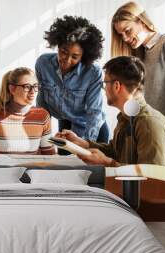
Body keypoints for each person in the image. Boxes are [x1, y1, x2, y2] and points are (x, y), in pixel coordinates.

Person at [56, 56, 165, 167]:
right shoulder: (125, 117)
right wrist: (84, 144)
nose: (104, 89)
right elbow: (115, 151)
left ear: (116, 86)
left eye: (105, 83)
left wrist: (107, 163)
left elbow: (151, 178)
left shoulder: (149, 123)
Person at [111, 1, 165, 167]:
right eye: (121, 35)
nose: (124, 38)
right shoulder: (140, 53)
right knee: (149, 186)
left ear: (141, 21)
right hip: (149, 129)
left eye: (127, 30)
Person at [35, 15, 109, 154]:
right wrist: (41, 140)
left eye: (75, 56)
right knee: (65, 169)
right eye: (63, 51)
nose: (67, 60)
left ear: (84, 56)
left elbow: (94, 112)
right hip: (66, 125)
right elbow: (42, 104)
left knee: (92, 172)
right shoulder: (43, 64)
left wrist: (86, 144)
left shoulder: (93, 73)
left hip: (93, 129)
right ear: (57, 45)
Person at [0, 67, 55, 155]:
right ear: (12, 89)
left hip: (31, 168)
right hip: (0, 168)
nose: (33, 91)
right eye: (27, 86)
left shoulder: (43, 116)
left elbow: (49, 155)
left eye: (35, 86)